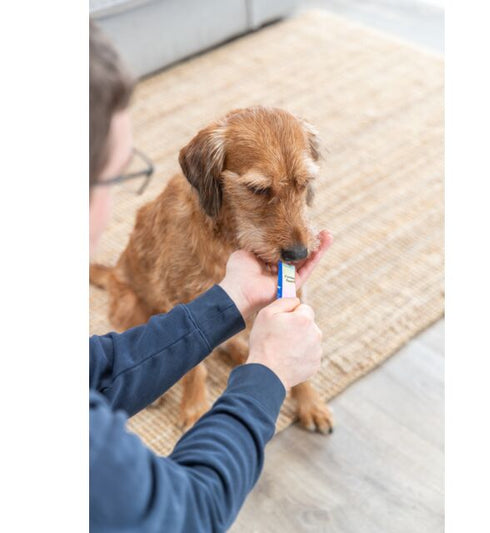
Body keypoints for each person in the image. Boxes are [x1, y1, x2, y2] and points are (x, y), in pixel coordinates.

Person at [89, 22, 333, 532]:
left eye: (300, 187)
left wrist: (227, 308)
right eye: (259, 191)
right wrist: (268, 372)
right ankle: (195, 386)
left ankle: (291, 381)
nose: (295, 236)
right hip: (145, 293)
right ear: (210, 178)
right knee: (150, 303)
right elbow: (189, 512)